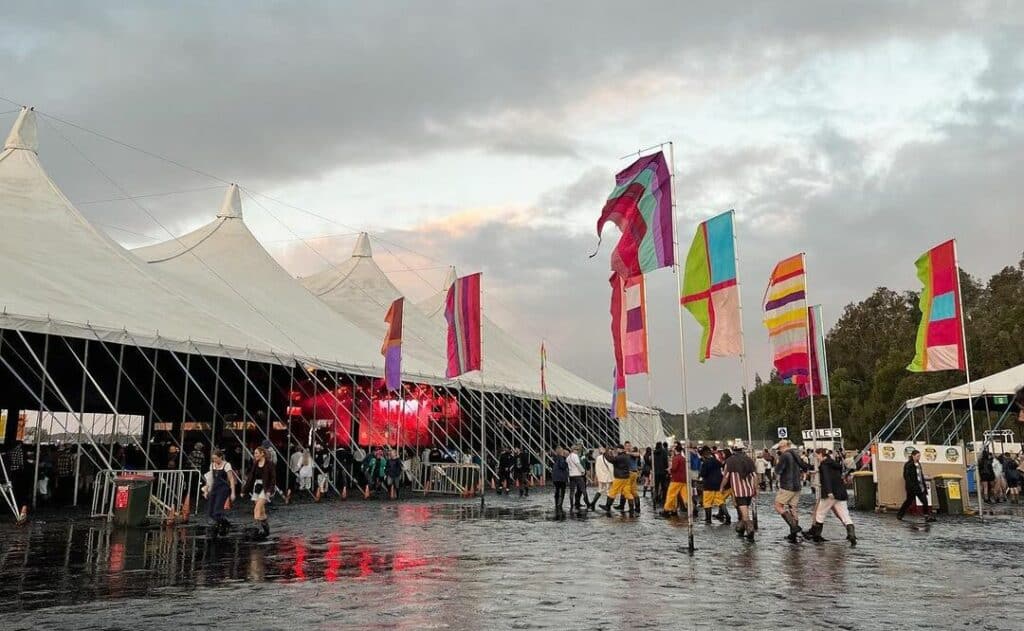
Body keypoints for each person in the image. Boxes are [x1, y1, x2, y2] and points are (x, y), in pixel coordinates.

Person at [809, 449, 856, 546]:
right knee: (845, 515)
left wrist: (829, 491)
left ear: (821, 455)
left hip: (830, 494)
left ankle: (817, 536)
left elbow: (826, 478)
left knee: (820, 513)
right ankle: (851, 535)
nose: (816, 458)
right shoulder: (835, 464)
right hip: (841, 492)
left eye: (817, 455)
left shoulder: (824, 465)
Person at [720, 447, 758, 541]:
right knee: (744, 511)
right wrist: (756, 488)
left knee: (745, 515)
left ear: (733, 451)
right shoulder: (748, 460)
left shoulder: (730, 461)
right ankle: (740, 529)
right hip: (749, 491)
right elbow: (755, 476)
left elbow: (726, 477)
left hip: (738, 492)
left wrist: (721, 487)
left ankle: (750, 531)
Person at [774, 439, 807, 543]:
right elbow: (804, 466)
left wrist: (777, 463)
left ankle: (794, 527)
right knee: (793, 508)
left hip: (787, 485)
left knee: (778, 506)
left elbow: (778, 471)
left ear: (783, 446)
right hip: (797, 485)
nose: (779, 450)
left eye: (779, 448)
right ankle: (793, 534)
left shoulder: (784, 456)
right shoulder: (796, 454)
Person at [241, 446, 276, 539]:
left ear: (262, 454)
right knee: (261, 510)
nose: (255, 455)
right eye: (254, 453)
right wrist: (244, 490)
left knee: (257, 509)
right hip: (257, 487)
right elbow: (251, 478)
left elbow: (273, 479)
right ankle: (266, 527)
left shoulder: (269, 464)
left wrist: (269, 491)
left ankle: (255, 530)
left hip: (266, 487)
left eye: (256, 453)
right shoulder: (255, 464)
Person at [202, 448, 237, 536]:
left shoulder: (226, 465)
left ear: (221, 457)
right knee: (210, 512)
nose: (215, 460)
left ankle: (219, 526)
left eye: (216, 458)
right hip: (214, 488)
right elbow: (209, 479)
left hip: (223, 489)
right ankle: (224, 522)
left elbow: (231, 479)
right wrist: (206, 490)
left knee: (217, 510)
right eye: (213, 458)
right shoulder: (212, 465)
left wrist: (233, 493)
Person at [896, 450, 934, 522]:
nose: (918, 457)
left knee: (925, 501)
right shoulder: (908, 465)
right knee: (908, 501)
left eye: (919, 456)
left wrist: (923, 485)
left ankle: (927, 516)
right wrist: (911, 485)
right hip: (912, 487)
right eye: (917, 456)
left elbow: (920, 475)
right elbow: (906, 476)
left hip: (920, 486)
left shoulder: (919, 464)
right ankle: (900, 514)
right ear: (913, 456)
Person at [601, 446, 637, 516]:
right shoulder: (626, 456)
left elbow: (611, 460)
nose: (616, 450)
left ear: (621, 449)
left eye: (617, 449)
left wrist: (605, 453)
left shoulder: (621, 457)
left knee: (613, 491)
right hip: (626, 477)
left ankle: (607, 507)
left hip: (619, 477)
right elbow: (614, 459)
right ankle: (632, 509)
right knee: (627, 492)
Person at [699, 446, 728, 524]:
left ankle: (708, 519)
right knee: (720, 501)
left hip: (708, 485)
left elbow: (703, 474)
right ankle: (728, 517)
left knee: (707, 502)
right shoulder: (716, 461)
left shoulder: (705, 463)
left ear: (704, 454)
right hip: (718, 484)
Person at [661, 443, 689, 518]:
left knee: (671, 495)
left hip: (676, 479)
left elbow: (674, 468)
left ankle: (666, 510)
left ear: (676, 450)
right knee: (685, 496)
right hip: (683, 480)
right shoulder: (683, 458)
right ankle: (691, 508)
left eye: (673, 449)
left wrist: (669, 470)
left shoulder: (675, 458)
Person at [566, 445, 591, 511]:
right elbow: (578, 464)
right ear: (573, 450)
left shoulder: (568, 457)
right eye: (576, 450)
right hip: (578, 475)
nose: (577, 451)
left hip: (571, 476)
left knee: (572, 491)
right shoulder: (575, 456)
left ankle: (571, 504)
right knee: (583, 490)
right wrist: (583, 471)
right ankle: (588, 504)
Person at [551, 447, 569, 517]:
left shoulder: (555, 458)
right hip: (561, 477)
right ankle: (560, 504)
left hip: (555, 477)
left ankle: (556, 503)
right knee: (562, 490)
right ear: (561, 452)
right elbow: (562, 466)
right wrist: (566, 463)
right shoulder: (561, 458)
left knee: (557, 490)